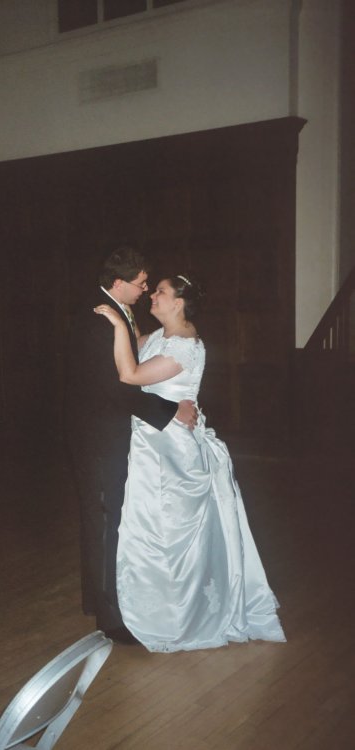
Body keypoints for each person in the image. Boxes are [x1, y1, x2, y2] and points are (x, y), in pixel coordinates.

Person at [94, 273, 286, 652]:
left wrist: (117, 322)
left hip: (170, 451)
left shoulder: (184, 346)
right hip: (151, 443)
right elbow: (134, 346)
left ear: (178, 303)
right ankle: (157, 606)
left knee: (169, 532)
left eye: (160, 292)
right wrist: (126, 320)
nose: (153, 295)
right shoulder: (162, 336)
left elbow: (129, 374)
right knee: (152, 530)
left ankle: (179, 614)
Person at [65, 247, 198, 644]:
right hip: (99, 437)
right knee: (105, 521)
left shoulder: (118, 310)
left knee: (105, 520)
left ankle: (100, 600)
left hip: (109, 433)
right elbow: (116, 389)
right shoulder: (100, 320)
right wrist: (171, 410)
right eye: (141, 283)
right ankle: (110, 619)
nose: (145, 289)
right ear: (118, 283)